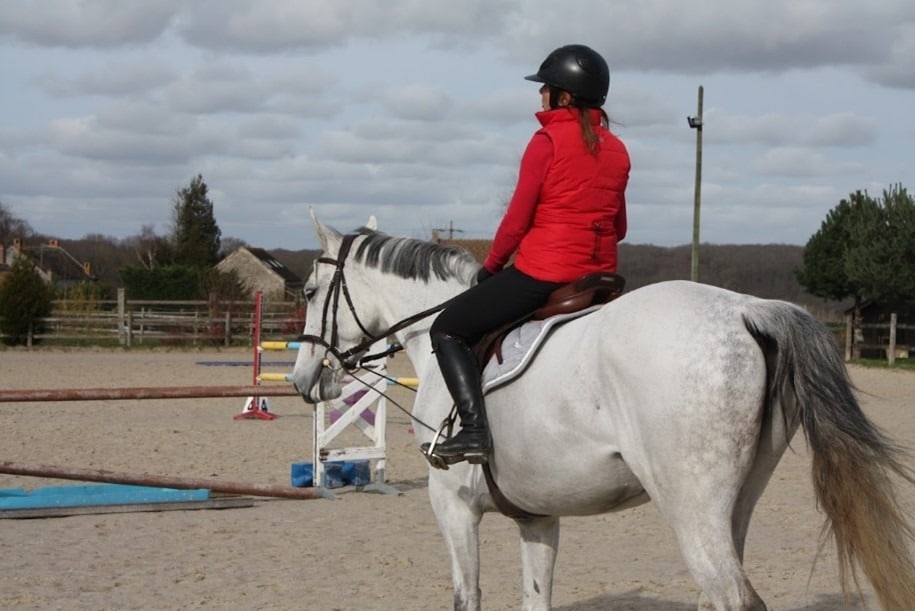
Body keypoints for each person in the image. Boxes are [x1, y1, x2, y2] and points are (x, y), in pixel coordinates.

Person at [427, 44, 631, 465]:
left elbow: (517, 220)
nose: (540, 96)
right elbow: (620, 228)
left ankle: (474, 430)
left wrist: (491, 267)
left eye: (546, 89)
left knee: (447, 329)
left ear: (565, 96)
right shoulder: (618, 149)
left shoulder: (546, 141)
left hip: (546, 273)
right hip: (601, 276)